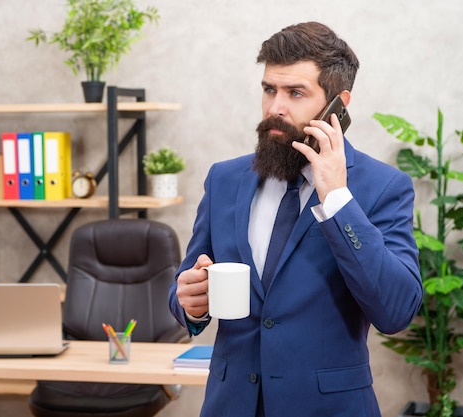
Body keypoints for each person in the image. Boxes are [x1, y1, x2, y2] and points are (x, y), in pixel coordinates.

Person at [168, 21, 423, 417]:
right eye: (269, 89)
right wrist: (189, 301)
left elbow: (396, 310)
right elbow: (189, 283)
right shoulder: (224, 179)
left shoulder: (383, 186)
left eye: (295, 93)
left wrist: (337, 198)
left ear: (338, 104)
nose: (275, 108)